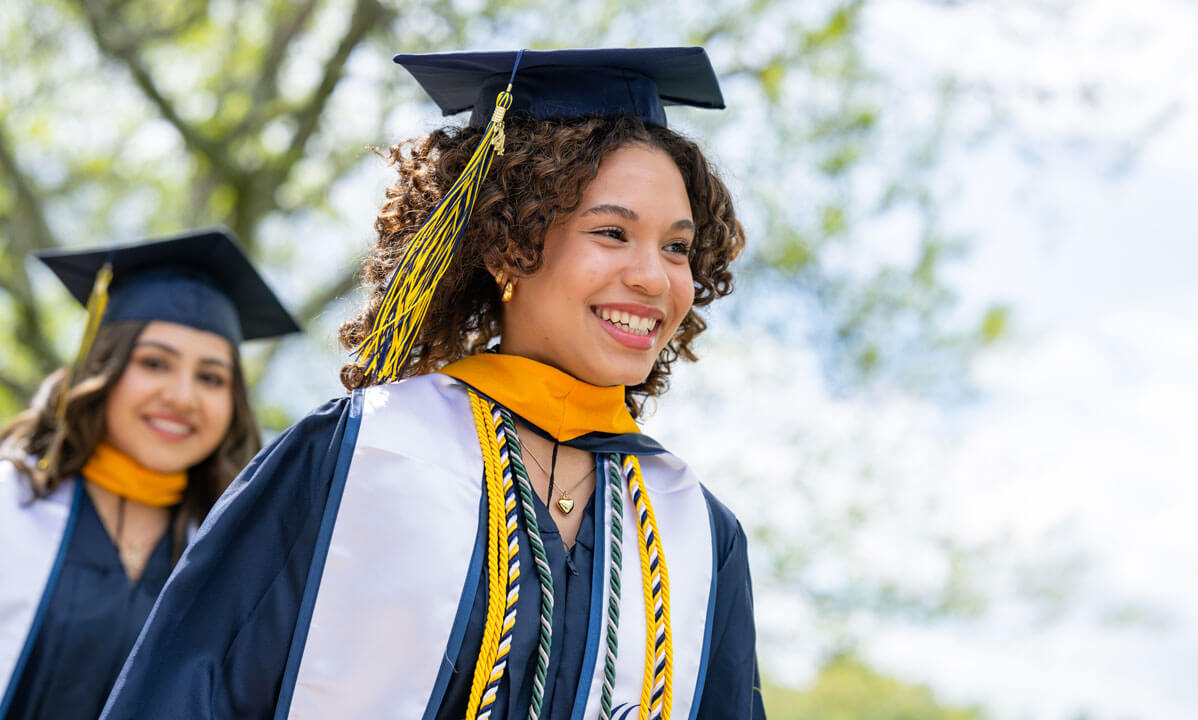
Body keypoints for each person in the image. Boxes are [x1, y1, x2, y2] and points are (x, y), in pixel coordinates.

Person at [102, 47, 764, 720]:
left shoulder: (698, 535)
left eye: (676, 247)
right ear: (508, 244)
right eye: (613, 232)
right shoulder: (356, 456)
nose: (654, 277)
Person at [0, 229, 299, 720]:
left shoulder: (232, 553)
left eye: (210, 377)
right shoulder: (11, 505)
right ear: (104, 366)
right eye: (155, 363)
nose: (182, 397)